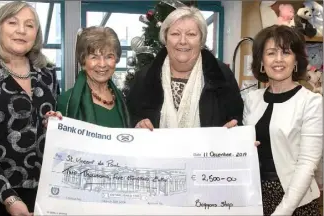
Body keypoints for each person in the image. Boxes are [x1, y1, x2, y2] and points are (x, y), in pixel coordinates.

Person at [0, 2, 59, 216]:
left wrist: (55, 123)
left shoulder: (48, 75)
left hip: (41, 194)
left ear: (36, 34)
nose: (21, 30)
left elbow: (48, 128)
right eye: (12, 22)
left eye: (30, 25)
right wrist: (10, 199)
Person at [243, 25, 322, 216]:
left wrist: (283, 211)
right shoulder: (251, 99)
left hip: (297, 201)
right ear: (262, 61)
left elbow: (308, 163)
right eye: (271, 53)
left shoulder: (311, 102)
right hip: (254, 197)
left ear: (295, 60)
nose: (278, 60)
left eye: (286, 53)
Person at [126, 6, 243, 129]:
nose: (183, 41)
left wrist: (232, 131)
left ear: (201, 40)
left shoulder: (222, 75)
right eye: (175, 34)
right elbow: (130, 117)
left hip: (210, 148)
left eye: (191, 34)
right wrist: (137, 125)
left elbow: (236, 120)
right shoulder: (144, 77)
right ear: (165, 39)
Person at [55, 26, 131, 128]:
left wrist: (138, 129)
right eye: (94, 57)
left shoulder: (121, 99)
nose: (102, 64)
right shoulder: (66, 101)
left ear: (116, 60)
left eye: (109, 56)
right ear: (83, 61)